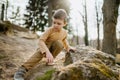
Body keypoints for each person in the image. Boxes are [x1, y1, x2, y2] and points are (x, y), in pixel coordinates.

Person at [14, 9, 75, 80]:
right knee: (39, 54)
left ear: (64, 24)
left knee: (59, 43)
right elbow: (41, 41)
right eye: (54, 22)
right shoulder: (49, 30)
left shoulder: (64, 32)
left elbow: (64, 40)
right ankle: (23, 69)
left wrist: (68, 47)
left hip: (52, 50)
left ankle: (50, 60)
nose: (55, 25)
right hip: (44, 48)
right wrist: (47, 52)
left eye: (58, 23)